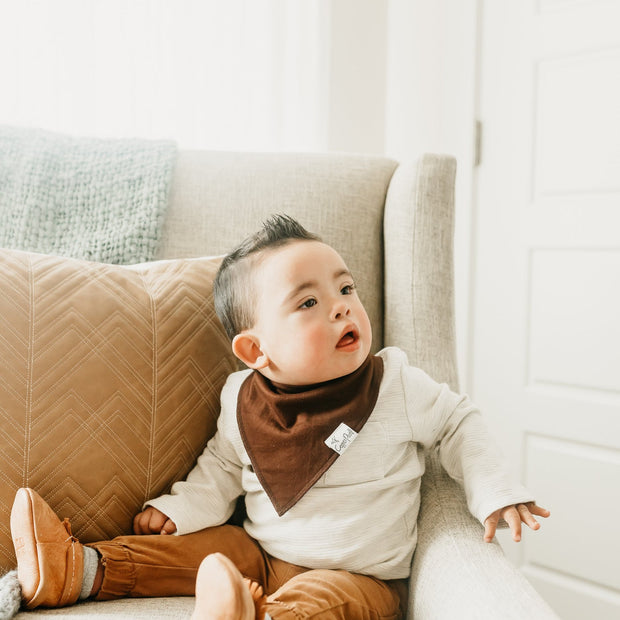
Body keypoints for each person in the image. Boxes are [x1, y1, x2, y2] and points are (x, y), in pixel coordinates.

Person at [11, 215, 550, 619]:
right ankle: (77, 570)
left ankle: (259, 617)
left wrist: (493, 487)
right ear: (255, 351)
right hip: (262, 552)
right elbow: (221, 466)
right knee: (200, 552)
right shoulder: (242, 399)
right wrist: (181, 509)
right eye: (308, 303)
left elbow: (460, 423)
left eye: (344, 288)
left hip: (363, 578)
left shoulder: (395, 385)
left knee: (320, 601)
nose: (341, 305)